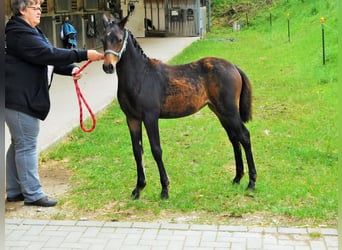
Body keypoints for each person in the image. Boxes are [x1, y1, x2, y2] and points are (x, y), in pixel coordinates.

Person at [5, 0, 104, 207]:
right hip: (20, 98)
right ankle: (32, 194)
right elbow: (48, 54)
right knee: (26, 146)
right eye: (34, 7)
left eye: (40, 7)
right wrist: (84, 53)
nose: (40, 11)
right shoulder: (20, 34)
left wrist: (71, 69)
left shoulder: (29, 31)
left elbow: (45, 57)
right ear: (22, 10)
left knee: (19, 144)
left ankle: (15, 191)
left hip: (20, 97)